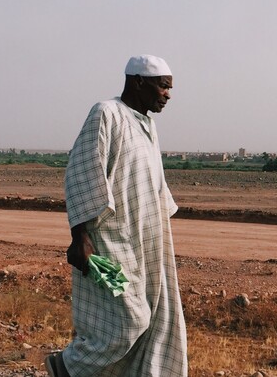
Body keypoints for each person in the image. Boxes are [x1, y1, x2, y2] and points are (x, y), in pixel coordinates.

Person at [45, 55, 187, 377]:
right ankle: (66, 366)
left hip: (144, 243)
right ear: (139, 81)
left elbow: (153, 188)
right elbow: (82, 173)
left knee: (154, 319)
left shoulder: (148, 126)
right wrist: (79, 236)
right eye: (164, 86)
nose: (168, 95)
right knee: (129, 319)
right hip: (109, 242)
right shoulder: (106, 113)